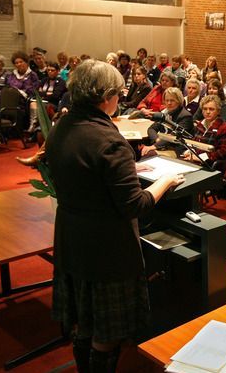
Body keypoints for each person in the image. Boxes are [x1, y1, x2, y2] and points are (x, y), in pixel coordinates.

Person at [45, 59, 184, 372]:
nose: (120, 99)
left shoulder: (62, 126)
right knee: (107, 332)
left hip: (71, 238)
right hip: (106, 248)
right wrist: (164, 182)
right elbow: (134, 205)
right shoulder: (110, 141)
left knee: (84, 317)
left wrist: (122, 172)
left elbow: (83, 171)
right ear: (105, 96)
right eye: (118, 94)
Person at [141, 87, 194, 158]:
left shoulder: (186, 116)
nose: (169, 103)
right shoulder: (165, 112)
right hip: (162, 145)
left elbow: (173, 137)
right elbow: (151, 129)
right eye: (167, 100)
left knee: (148, 154)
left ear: (179, 101)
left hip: (175, 149)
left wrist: (154, 146)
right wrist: (157, 139)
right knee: (138, 149)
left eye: (172, 100)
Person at [182, 95, 226, 167]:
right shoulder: (200, 124)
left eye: (211, 109)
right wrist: (189, 151)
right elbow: (194, 143)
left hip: (212, 165)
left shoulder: (224, 128)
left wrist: (200, 158)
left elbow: (223, 153)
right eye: (205, 109)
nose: (208, 112)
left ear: (218, 111)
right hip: (195, 161)